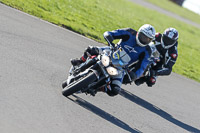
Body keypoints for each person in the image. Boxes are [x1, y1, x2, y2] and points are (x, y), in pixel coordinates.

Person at [71, 24, 156, 96]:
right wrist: (109, 38)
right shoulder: (129, 32)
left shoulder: (147, 51)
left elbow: (142, 67)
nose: (144, 39)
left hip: (121, 67)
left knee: (115, 90)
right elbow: (110, 33)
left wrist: (134, 75)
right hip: (111, 51)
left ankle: (98, 88)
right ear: (138, 33)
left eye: (147, 39)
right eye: (143, 36)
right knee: (91, 49)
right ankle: (80, 61)